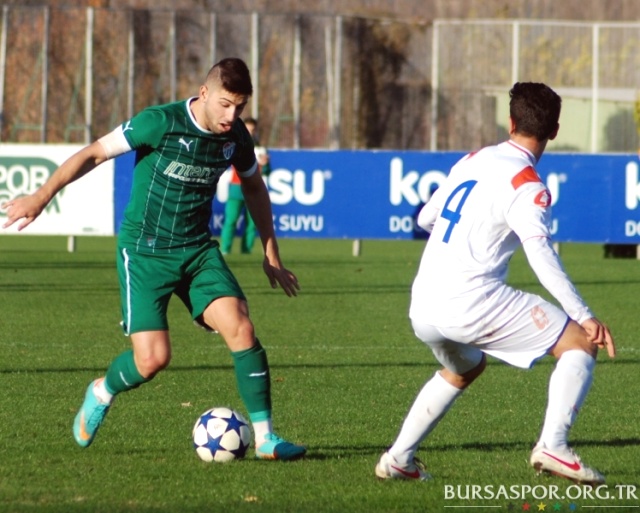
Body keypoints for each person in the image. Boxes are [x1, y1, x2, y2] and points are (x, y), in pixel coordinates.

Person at [2, 57, 306, 461]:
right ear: (204, 93)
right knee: (153, 359)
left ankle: (265, 439)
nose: (231, 116)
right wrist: (41, 197)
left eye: (240, 107)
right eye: (225, 104)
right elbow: (94, 154)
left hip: (197, 250)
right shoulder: (159, 122)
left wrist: (271, 253)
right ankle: (102, 390)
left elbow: (254, 187)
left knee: (242, 328)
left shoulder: (236, 138)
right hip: (145, 252)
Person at [375, 82, 615, 484]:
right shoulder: (528, 185)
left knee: (465, 368)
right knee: (579, 343)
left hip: (424, 304)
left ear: (510, 122)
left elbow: (425, 218)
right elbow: (540, 254)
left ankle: (399, 459)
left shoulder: (474, 159)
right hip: (471, 301)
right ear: (554, 131)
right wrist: (583, 314)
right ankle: (553, 446)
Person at [220, 117, 271, 255]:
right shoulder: (236, 143)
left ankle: (246, 250)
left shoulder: (261, 149)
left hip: (253, 188)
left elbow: (267, 171)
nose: (250, 132)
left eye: (252, 130)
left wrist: (265, 165)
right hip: (236, 188)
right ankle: (225, 249)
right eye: (248, 129)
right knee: (231, 220)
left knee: (252, 223)